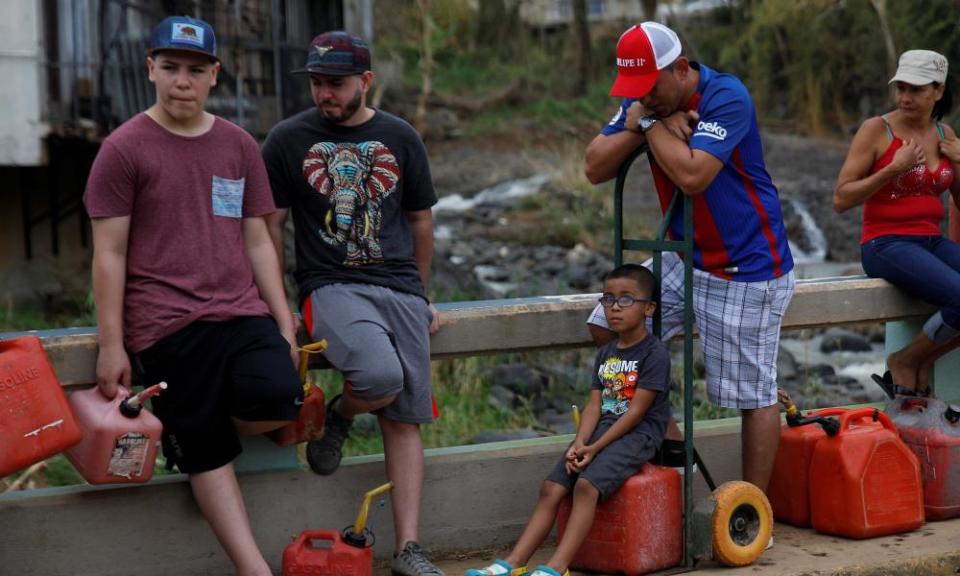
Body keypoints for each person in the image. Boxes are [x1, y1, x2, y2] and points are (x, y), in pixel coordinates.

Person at [83, 16, 302, 576]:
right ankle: (254, 568)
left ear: (214, 76)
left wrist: (283, 320)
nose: (183, 80)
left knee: (278, 393)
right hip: (165, 325)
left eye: (196, 70)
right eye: (172, 67)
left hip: (239, 311)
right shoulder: (123, 148)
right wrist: (113, 346)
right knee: (206, 446)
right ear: (151, 68)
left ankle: (191, 429)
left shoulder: (237, 145)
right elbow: (108, 254)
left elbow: (256, 238)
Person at [583, 22, 795, 498]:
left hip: (746, 266)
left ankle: (749, 513)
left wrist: (649, 124)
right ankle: (682, 462)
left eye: (651, 89)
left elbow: (692, 175)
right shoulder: (648, 101)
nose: (645, 98)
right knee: (606, 326)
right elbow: (595, 166)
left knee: (752, 393)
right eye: (636, 92)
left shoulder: (727, 96)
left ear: (681, 69)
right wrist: (645, 122)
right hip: (682, 257)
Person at [261, 31, 444, 576]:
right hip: (330, 284)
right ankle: (342, 413)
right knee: (380, 377)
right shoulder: (287, 140)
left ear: (365, 81)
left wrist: (420, 292)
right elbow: (269, 226)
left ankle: (409, 549)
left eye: (336, 84)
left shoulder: (400, 136)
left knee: (405, 418)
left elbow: (420, 221)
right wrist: (280, 305)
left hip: (399, 287)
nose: (325, 94)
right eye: (317, 83)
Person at [464, 264, 671, 576]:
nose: (615, 307)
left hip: (638, 435)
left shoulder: (654, 353)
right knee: (552, 486)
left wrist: (596, 446)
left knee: (586, 486)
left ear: (649, 308)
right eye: (609, 299)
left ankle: (557, 566)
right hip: (602, 431)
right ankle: (511, 563)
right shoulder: (607, 352)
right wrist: (580, 442)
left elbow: (636, 412)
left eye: (627, 299)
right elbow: (594, 404)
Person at [834, 49, 960, 397]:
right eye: (900, 88)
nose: (905, 97)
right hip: (885, 243)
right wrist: (892, 169)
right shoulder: (877, 130)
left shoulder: (944, 132)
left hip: (931, 242)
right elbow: (841, 199)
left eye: (916, 89)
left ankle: (920, 359)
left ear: (938, 90)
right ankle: (904, 361)